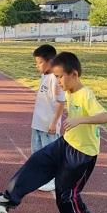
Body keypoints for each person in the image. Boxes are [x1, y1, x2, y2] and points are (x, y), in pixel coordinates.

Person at [0, 51, 107, 213]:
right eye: (56, 77)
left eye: (60, 77)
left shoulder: (85, 94)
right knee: (37, 160)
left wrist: (80, 120)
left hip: (82, 153)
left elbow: (106, 117)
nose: (58, 81)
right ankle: (10, 197)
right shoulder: (70, 91)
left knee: (66, 192)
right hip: (66, 143)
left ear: (75, 74)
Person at [30, 44, 66, 192]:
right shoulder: (44, 76)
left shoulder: (55, 79)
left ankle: (52, 179)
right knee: (37, 152)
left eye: (39, 63)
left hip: (48, 126)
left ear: (51, 61)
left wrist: (54, 122)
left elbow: (61, 102)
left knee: (50, 153)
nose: (37, 66)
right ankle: (40, 177)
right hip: (38, 123)